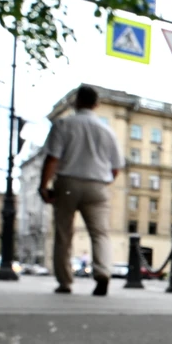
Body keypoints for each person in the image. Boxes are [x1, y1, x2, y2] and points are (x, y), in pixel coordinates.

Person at [39, 85, 124, 296]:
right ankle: (103, 273)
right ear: (96, 104)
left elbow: (52, 159)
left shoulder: (64, 124)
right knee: (100, 233)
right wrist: (103, 182)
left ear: (76, 102)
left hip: (67, 183)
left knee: (63, 234)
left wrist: (44, 186)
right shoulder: (107, 131)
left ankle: (65, 282)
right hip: (97, 186)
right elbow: (116, 167)